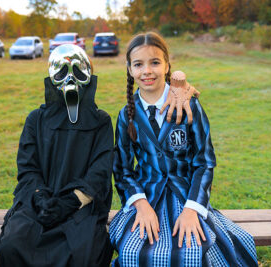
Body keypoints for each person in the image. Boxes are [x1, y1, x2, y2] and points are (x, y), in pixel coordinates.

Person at [109, 32, 258, 266]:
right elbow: (123, 170)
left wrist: (192, 209)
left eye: (155, 62)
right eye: (138, 64)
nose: (147, 71)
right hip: (147, 197)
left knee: (191, 251)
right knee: (132, 251)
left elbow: (204, 162)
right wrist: (140, 205)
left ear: (167, 65)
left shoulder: (188, 105)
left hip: (185, 195)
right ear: (129, 69)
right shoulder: (126, 114)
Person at [0, 45, 114, 266]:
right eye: (62, 72)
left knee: (84, 252)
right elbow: (28, 168)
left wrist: (70, 202)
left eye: (77, 71)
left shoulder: (101, 121)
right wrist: (40, 197)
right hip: (39, 203)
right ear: (52, 77)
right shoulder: (35, 120)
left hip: (80, 206)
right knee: (14, 244)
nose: (70, 79)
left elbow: (100, 172)